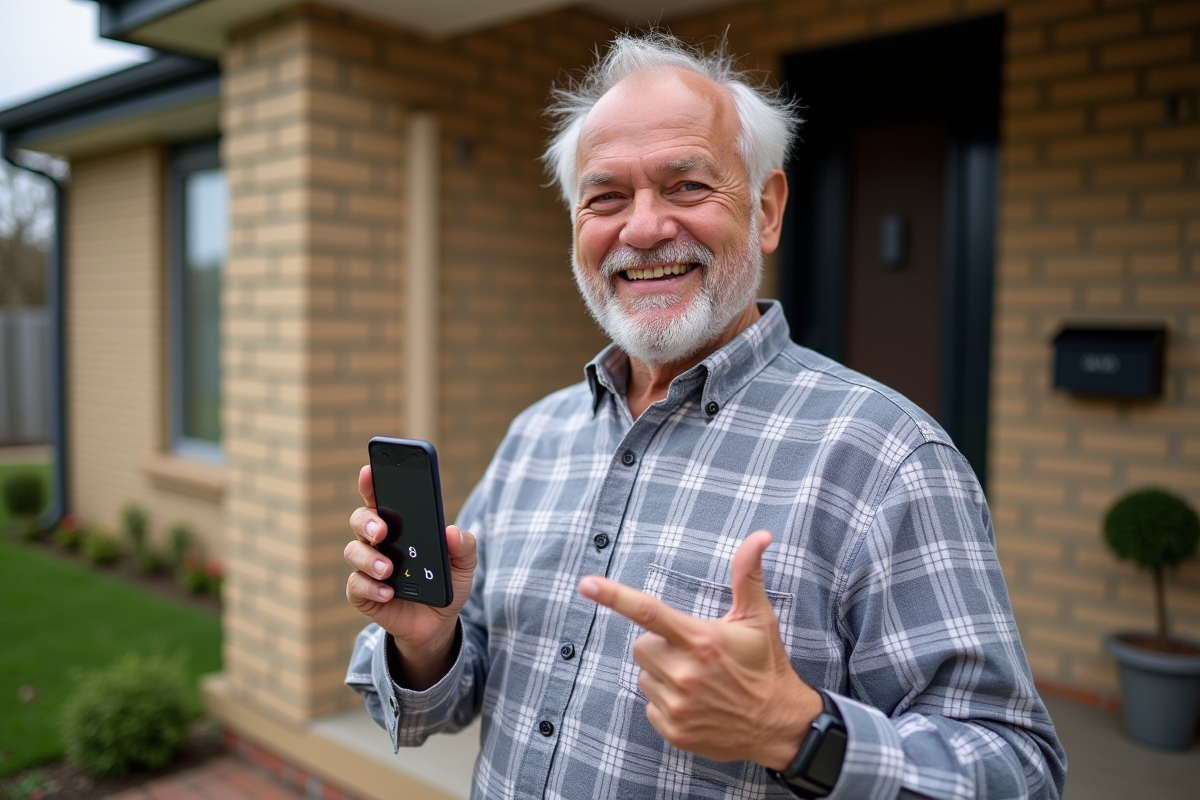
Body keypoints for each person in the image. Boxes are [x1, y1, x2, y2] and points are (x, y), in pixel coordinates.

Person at [345, 31, 1067, 800]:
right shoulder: (536, 436)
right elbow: (444, 702)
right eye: (607, 197)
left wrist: (799, 730)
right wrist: (428, 645)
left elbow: (1017, 768)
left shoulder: (886, 457)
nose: (644, 228)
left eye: (687, 186)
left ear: (766, 210)